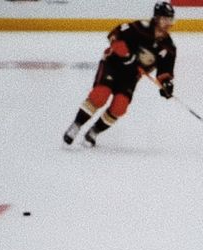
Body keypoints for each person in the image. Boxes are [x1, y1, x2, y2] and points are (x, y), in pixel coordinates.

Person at [62, 2, 176, 148]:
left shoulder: (169, 47)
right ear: (156, 18)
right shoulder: (139, 28)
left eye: (170, 19)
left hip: (131, 76)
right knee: (100, 95)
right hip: (113, 65)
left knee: (120, 106)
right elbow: (114, 34)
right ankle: (76, 125)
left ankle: (94, 132)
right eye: (165, 19)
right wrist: (125, 53)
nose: (168, 23)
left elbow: (165, 71)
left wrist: (166, 84)